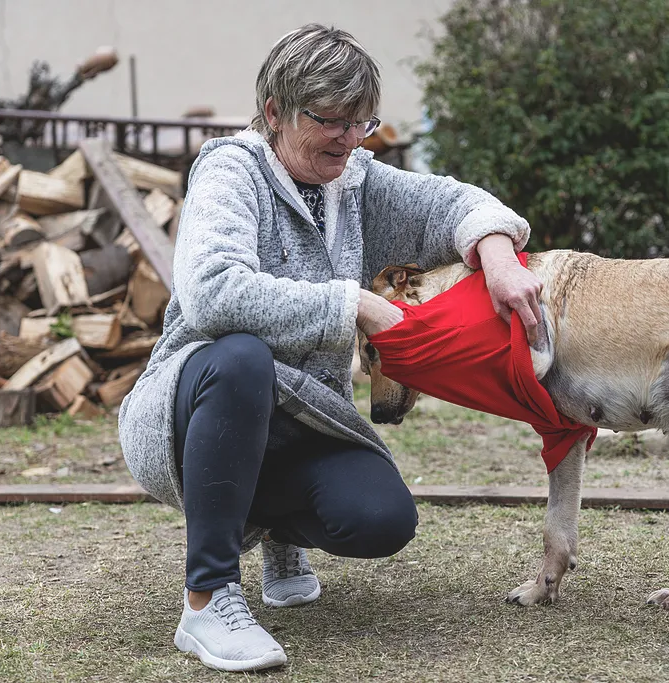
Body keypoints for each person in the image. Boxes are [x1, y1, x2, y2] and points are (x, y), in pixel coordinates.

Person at [117, 23, 542, 673]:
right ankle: (207, 599)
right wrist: (357, 304)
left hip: (302, 414)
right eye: (331, 121)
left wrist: (499, 253)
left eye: (362, 123)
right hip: (194, 402)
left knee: (381, 518)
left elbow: (455, 203)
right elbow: (212, 294)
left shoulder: (356, 180)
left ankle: (284, 538)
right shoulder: (231, 170)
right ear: (274, 114)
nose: (349, 139)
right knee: (242, 356)